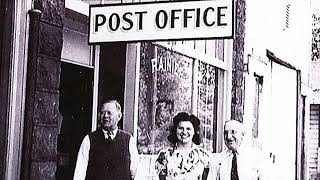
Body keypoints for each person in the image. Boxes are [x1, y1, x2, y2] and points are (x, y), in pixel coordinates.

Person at [73, 100, 138, 180]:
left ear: (119, 116)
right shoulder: (89, 140)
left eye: (109, 113)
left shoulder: (129, 141)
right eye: (102, 112)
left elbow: (136, 173)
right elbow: (79, 173)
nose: (105, 116)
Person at [155, 112, 213, 180]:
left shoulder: (204, 156)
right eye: (180, 128)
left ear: (194, 131)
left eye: (188, 129)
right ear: (175, 130)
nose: (184, 132)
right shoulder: (165, 155)